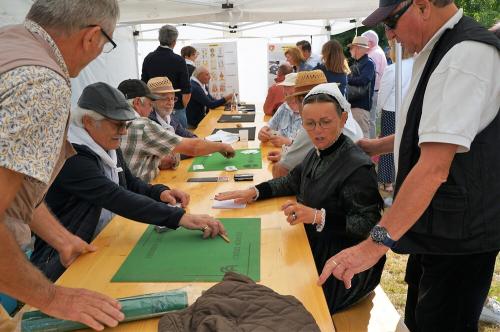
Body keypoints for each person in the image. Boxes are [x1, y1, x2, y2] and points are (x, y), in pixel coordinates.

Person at [319, 1, 500, 331]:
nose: (390, 34)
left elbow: (434, 167)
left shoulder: (463, 55)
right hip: (437, 225)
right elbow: (429, 132)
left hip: (460, 236)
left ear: (422, 6)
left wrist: (373, 246)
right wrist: (377, 145)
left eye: (391, 22)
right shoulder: (438, 49)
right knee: (420, 317)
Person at [0, 0, 125, 330]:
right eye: (106, 45)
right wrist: (53, 298)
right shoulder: (41, 83)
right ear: (92, 37)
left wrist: (62, 239)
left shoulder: (9, 44)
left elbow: (14, 182)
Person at [31, 82, 227, 282]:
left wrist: (158, 192)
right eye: (118, 124)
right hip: (63, 263)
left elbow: (129, 182)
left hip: (101, 242)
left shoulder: (105, 141)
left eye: (125, 124)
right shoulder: (72, 156)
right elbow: (115, 196)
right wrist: (179, 217)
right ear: (88, 121)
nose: (124, 131)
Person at [216, 83, 385, 314]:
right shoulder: (318, 152)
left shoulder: (357, 167)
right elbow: (291, 181)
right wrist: (254, 192)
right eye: (310, 124)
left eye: (326, 122)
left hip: (342, 266)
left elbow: (367, 224)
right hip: (311, 246)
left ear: (343, 119)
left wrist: (318, 216)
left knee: (274, 307)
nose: (318, 131)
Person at [120, 79, 235, 182]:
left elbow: (190, 140)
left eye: (172, 98)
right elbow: (193, 147)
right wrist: (221, 147)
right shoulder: (143, 124)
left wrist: (162, 158)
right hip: (141, 190)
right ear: (137, 102)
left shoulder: (118, 122)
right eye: (150, 104)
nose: (170, 103)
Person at [268, 71, 363, 178]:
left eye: (296, 99)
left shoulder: (314, 124)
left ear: (305, 101)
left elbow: (282, 172)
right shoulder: (344, 114)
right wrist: (287, 156)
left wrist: (279, 164)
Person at [376, 40, 414, 193]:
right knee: (406, 144)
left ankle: (387, 181)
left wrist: (379, 110)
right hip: (410, 109)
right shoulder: (416, 64)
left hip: (392, 110)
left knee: (388, 145)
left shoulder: (392, 69)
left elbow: (383, 94)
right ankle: (404, 178)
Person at [141, 24, 191, 129]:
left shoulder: (148, 58)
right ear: (174, 42)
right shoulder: (179, 60)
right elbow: (186, 91)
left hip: (153, 109)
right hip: (175, 108)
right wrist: (180, 107)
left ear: (159, 39)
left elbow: (143, 87)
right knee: (183, 142)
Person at [259, 73, 301, 147]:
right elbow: (268, 128)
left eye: (292, 94)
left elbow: (310, 147)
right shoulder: (284, 108)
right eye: (285, 94)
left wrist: (287, 142)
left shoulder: (309, 113)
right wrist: (263, 134)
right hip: (279, 154)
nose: (288, 98)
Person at [347, 35, 376, 138]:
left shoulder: (369, 63)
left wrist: (347, 79)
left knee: (363, 137)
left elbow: (364, 79)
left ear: (358, 48)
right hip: (354, 106)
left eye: (352, 48)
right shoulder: (358, 63)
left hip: (361, 107)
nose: (350, 50)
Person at [362, 30, 387, 139]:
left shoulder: (374, 54)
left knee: (370, 120)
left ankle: (371, 144)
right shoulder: (376, 52)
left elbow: (371, 76)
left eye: (363, 42)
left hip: (373, 91)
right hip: (374, 91)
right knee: (370, 120)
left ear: (370, 43)